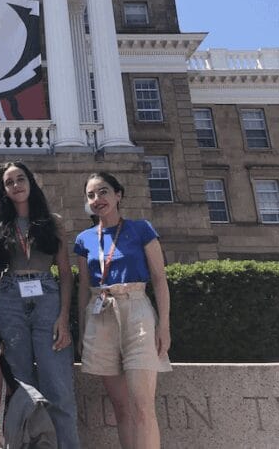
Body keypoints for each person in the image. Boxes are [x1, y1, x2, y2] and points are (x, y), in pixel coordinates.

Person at [74, 172, 172, 449]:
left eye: (103, 192)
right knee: (121, 408)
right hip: (100, 314)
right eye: (91, 195)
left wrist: (163, 326)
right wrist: (82, 330)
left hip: (136, 311)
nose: (97, 199)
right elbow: (83, 287)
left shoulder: (141, 229)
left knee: (143, 406)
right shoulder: (84, 239)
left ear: (118, 195)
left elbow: (159, 279)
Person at [0, 162, 79, 448]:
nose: (16, 185)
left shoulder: (52, 221)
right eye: (9, 182)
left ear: (31, 181)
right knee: (19, 384)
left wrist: (64, 318)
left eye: (20, 178)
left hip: (47, 296)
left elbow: (65, 273)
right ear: (3, 190)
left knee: (58, 384)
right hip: (10, 297)